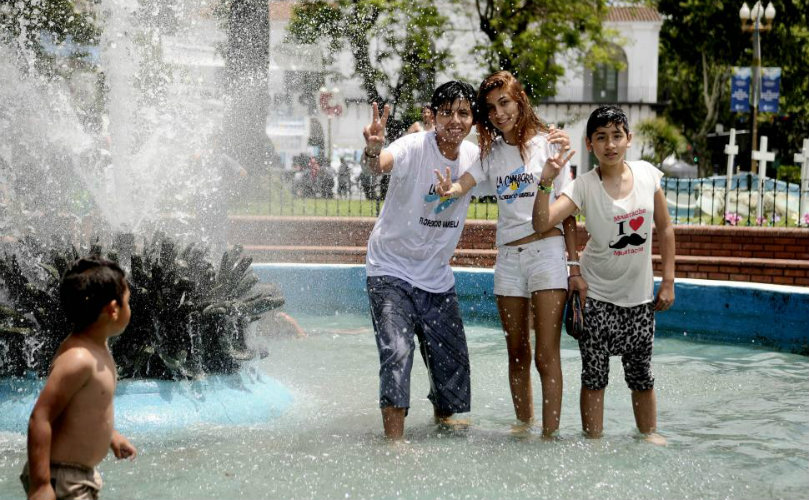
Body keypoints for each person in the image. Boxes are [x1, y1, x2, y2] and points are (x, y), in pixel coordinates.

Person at [434, 71, 578, 437]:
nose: (499, 113)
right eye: (491, 108)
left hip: (547, 255)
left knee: (547, 356)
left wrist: (573, 265)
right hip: (509, 262)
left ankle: (550, 435)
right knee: (517, 352)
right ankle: (523, 427)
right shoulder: (491, 153)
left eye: (505, 103)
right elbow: (465, 181)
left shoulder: (551, 144)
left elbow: (570, 210)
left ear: (520, 101)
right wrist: (449, 189)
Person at [532, 105, 675, 444]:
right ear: (589, 144)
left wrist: (668, 281)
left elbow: (666, 229)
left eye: (616, 136)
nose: (609, 144)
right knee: (594, 377)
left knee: (642, 376)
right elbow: (541, 222)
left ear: (629, 139)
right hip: (596, 299)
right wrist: (546, 182)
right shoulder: (583, 186)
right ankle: (593, 440)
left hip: (640, 300)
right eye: (601, 137)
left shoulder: (647, 175)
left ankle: (648, 435)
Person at [361, 81, 482, 440]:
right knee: (397, 352)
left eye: (463, 113)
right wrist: (372, 151)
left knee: (452, 371)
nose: (455, 120)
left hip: (437, 279)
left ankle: (449, 440)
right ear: (433, 116)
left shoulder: (475, 157)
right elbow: (378, 166)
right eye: (447, 112)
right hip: (390, 270)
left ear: (473, 120)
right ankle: (394, 448)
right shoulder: (414, 146)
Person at [22, 257, 137, 500]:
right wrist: (41, 484)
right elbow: (40, 418)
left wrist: (111, 436)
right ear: (113, 309)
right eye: (128, 302)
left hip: (76, 476)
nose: (131, 308)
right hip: (62, 477)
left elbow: (83, 409)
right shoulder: (78, 358)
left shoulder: (96, 348)